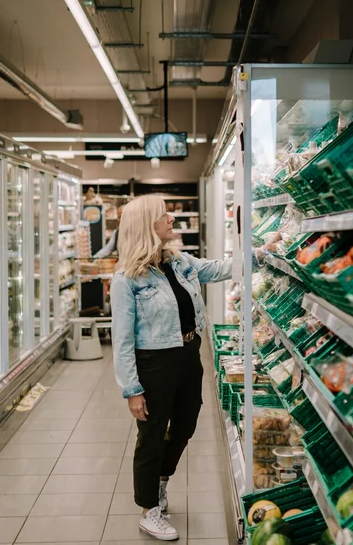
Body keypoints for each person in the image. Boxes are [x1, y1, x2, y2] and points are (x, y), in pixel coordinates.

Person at [110, 195, 232, 541]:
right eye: (163, 214)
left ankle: (162, 480)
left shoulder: (179, 262)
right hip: (154, 364)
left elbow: (217, 269)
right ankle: (149, 509)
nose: (171, 217)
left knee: (185, 426)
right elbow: (121, 340)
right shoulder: (126, 279)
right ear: (147, 224)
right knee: (150, 436)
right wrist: (132, 390)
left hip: (188, 355)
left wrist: (259, 255)